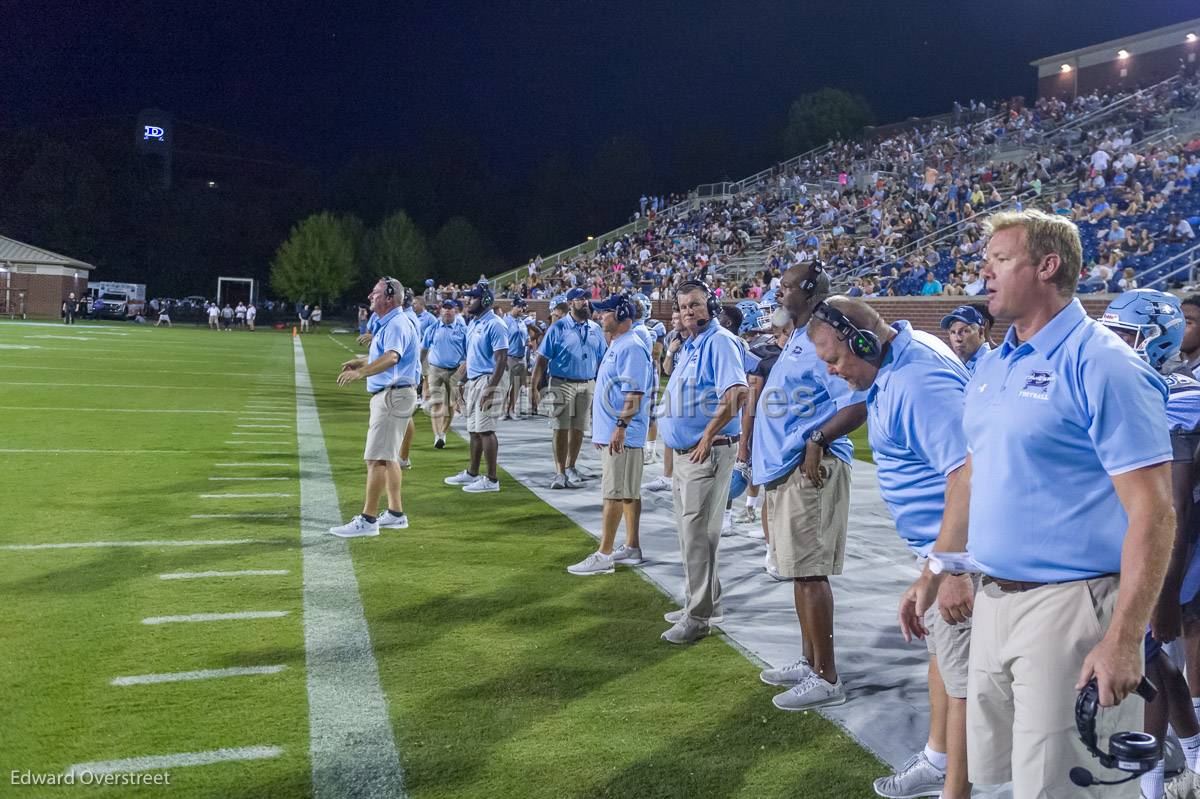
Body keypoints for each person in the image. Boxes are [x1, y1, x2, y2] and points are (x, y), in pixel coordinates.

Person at [900, 209, 1174, 797]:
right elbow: (971, 477)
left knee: (1064, 787)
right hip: (992, 601)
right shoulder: (996, 362)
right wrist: (938, 571)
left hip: (1071, 609)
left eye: (999, 260)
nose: (983, 273)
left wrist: (1125, 637)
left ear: (1048, 266)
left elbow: (1154, 510)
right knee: (1003, 779)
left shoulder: (1102, 363)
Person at [807, 296, 973, 799]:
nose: (835, 373)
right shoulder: (901, 362)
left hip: (960, 554)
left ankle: (955, 788)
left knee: (967, 685)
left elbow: (969, 474)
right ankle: (937, 758)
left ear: (863, 341)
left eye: (836, 359)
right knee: (945, 660)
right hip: (939, 549)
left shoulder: (917, 381)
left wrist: (950, 569)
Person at [751, 263, 867, 711]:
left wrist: (818, 440)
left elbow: (857, 402)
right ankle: (809, 660)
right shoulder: (800, 336)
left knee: (810, 572)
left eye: (784, 286)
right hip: (786, 469)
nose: (778, 292)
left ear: (809, 290)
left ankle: (827, 676)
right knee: (798, 571)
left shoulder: (826, 337)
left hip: (810, 471)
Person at [1101, 290, 1200, 799]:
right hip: (1139, 542)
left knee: (1156, 658)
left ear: (1157, 340)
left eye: (1126, 334)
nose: (1112, 342)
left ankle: (1153, 784)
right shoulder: (1133, 382)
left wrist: (1163, 590)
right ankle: (1190, 759)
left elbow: (1174, 505)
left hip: (1174, 545)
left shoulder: (1175, 391)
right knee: (1157, 661)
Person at [657, 280, 748, 644]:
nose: (687, 312)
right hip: (688, 454)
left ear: (710, 305)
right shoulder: (692, 344)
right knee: (693, 534)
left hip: (706, 452)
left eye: (694, 305)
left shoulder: (719, 341)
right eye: (681, 306)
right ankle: (707, 602)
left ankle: (698, 617)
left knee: (697, 535)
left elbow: (737, 393)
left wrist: (707, 435)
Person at [567, 294, 654, 575]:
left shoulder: (631, 346)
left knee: (614, 493)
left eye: (605, 312)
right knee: (626, 492)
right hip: (618, 433)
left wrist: (620, 427)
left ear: (620, 314)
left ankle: (604, 554)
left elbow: (634, 393)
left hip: (624, 434)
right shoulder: (620, 344)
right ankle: (631, 547)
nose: (599, 316)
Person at [329, 277, 420, 538]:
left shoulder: (397, 322)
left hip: (393, 395)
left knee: (376, 459)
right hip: (393, 394)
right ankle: (395, 513)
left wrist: (363, 372)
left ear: (390, 297)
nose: (371, 295)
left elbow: (393, 357)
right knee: (388, 458)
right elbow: (385, 353)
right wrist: (361, 363)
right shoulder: (390, 322)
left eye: (377, 292)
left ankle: (368, 520)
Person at [530, 287, 607, 489]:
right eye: (581, 299)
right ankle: (559, 472)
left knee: (579, 428)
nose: (586, 303)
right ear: (571, 302)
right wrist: (533, 387)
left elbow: (603, 360)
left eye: (587, 299)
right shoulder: (558, 328)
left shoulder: (595, 328)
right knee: (560, 427)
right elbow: (542, 359)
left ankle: (571, 466)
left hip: (587, 382)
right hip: (561, 381)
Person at [444, 283, 509, 493]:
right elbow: (471, 358)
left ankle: (491, 479)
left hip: (488, 378)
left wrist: (491, 389)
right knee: (474, 429)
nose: (468, 301)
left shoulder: (495, 324)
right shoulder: (473, 323)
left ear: (485, 300)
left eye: (472, 298)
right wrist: (461, 382)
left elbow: (501, 359)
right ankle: (472, 473)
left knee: (486, 429)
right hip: (473, 379)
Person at [644, 309, 687, 493]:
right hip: (675, 389)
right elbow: (668, 370)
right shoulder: (672, 337)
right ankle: (667, 476)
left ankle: (683, 478)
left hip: (692, 392)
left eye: (678, 318)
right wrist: (669, 353)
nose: (674, 320)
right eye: (673, 317)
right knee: (669, 433)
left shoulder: (698, 338)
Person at [422, 299, 468, 449]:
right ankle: (438, 436)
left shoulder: (462, 329)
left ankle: (443, 432)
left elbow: (469, 352)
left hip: (455, 370)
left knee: (451, 404)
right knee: (436, 403)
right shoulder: (433, 328)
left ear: (455, 311)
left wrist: (465, 367)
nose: (447, 311)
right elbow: (424, 349)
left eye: (450, 308)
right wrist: (423, 372)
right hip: (435, 368)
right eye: (445, 308)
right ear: (440, 310)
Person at [939, 304, 991, 374]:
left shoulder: (992, 364)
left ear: (981, 332)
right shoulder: (953, 365)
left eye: (965, 331)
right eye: (953, 332)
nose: (958, 339)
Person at [504, 299, 531, 419]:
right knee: (506, 386)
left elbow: (526, 338)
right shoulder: (505, 321)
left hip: (521, 357)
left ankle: (511, 409)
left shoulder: (521, 321)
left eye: (523, 307)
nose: (522, 309)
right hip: (509, 357)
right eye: (519, 307)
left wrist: (528, 342)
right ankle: (502, 410)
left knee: (517, 386)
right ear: (513, 306)